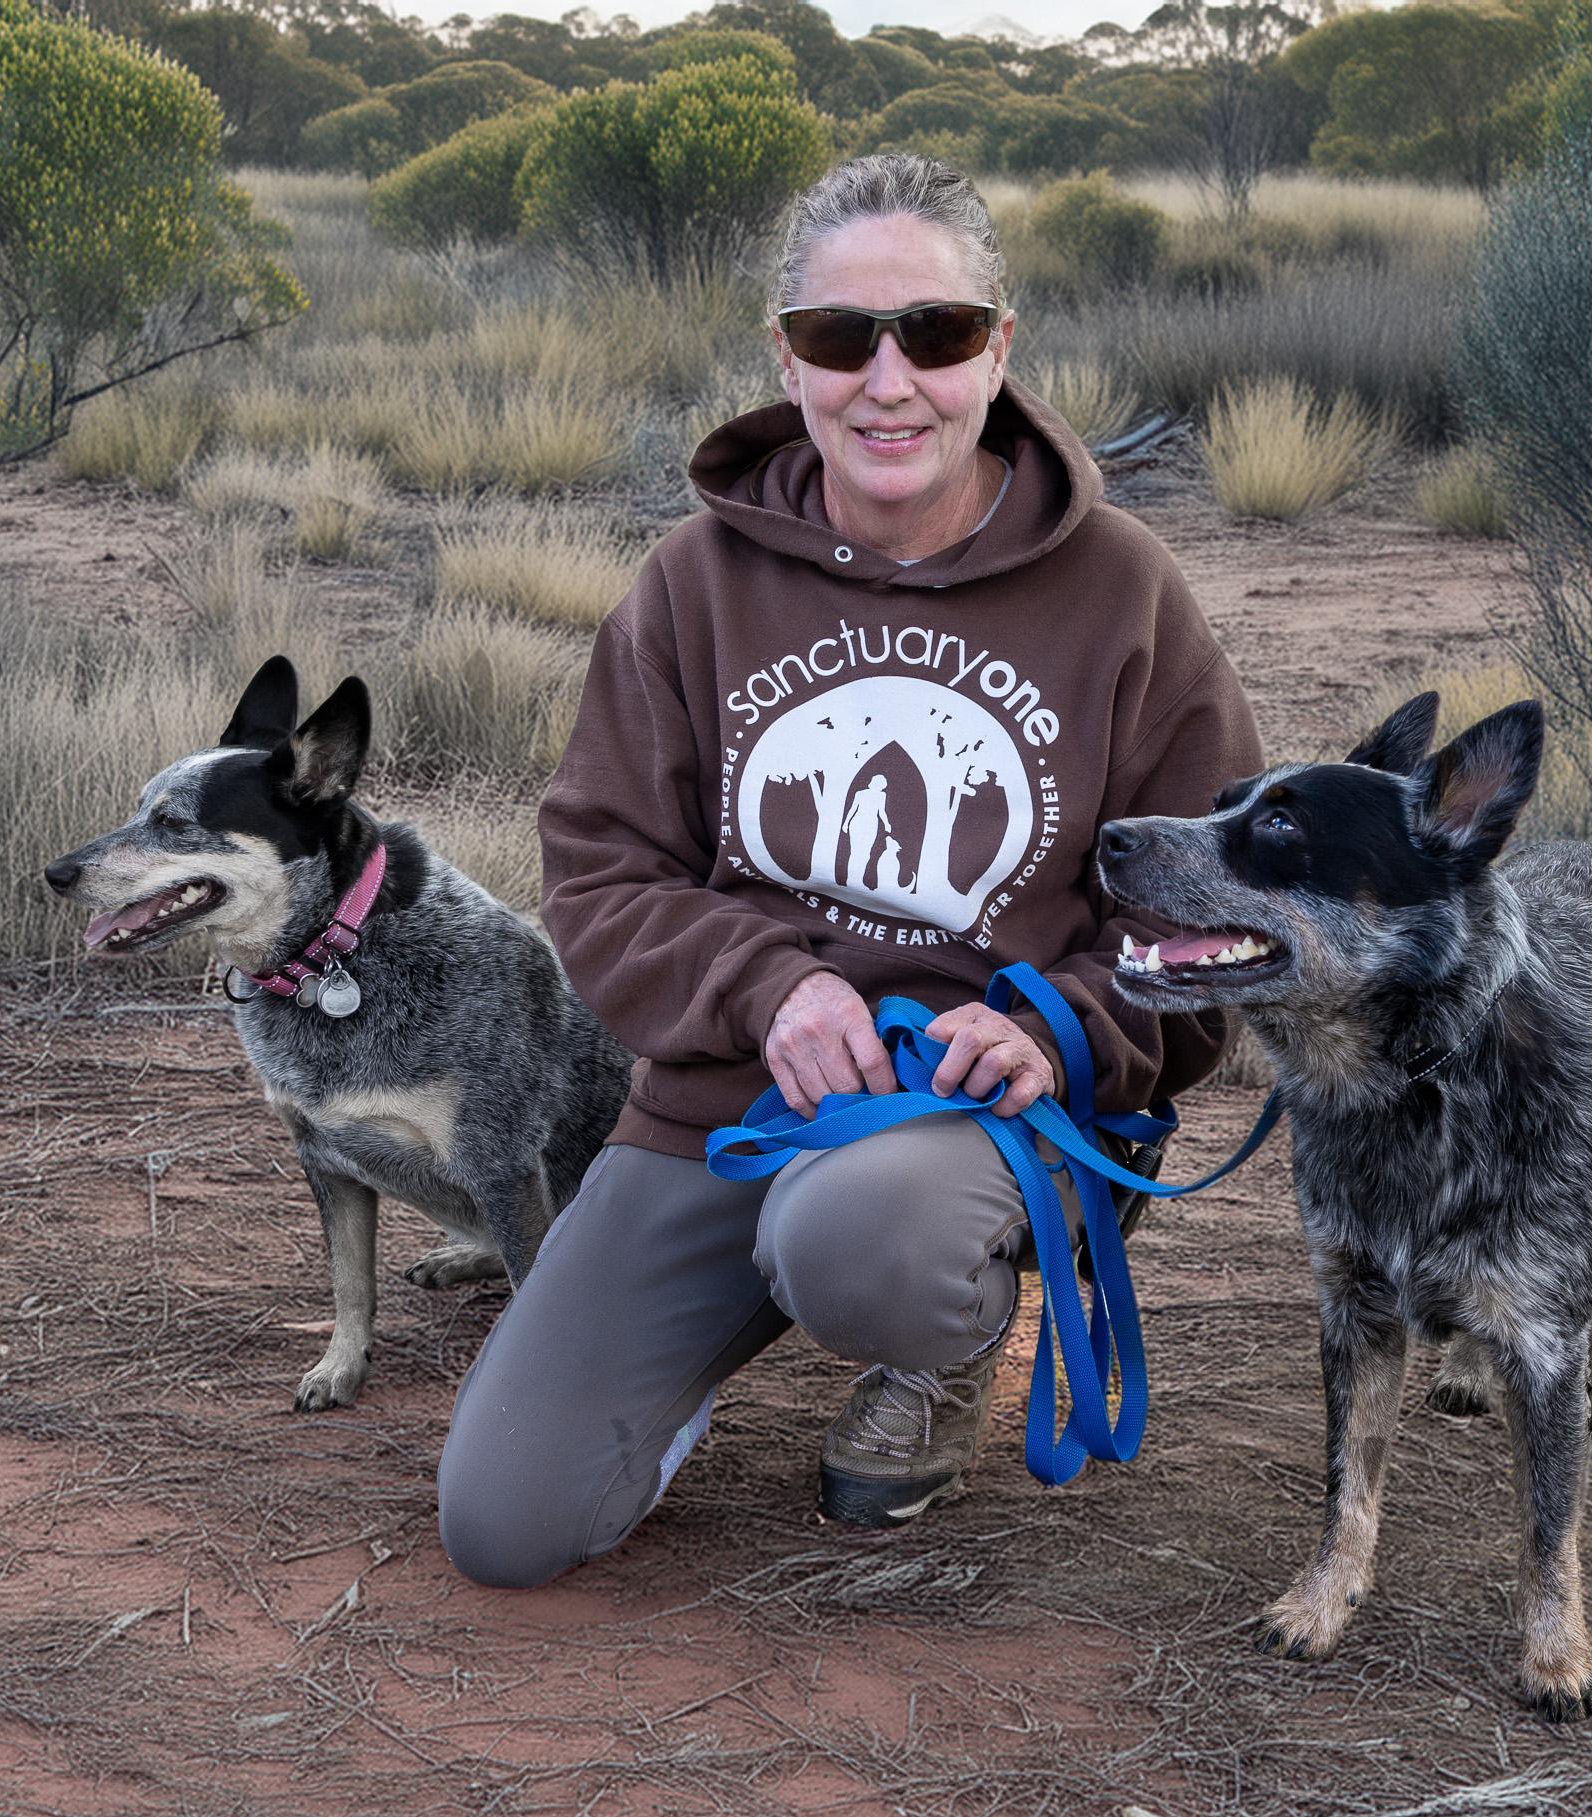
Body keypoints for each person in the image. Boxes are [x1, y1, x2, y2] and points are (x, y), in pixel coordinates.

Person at [437, 153, 1262, 1587]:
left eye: (936, 334)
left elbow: (1212, 902)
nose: (891, 381)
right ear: (788, 358)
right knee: (506, 1523)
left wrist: (1060, 1023)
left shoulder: (1122, 590)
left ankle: (945, 1335)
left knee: (862, 1229)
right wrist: (764, 989)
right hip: (726, 1107)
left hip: (979, 1115)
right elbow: (600, 869)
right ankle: (731, 1300)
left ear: (999, 350)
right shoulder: (696, 583)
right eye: (841, 338)